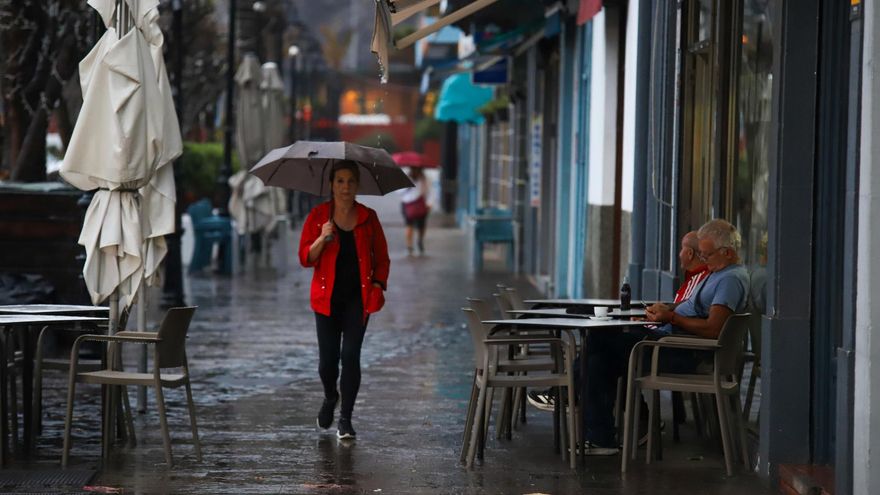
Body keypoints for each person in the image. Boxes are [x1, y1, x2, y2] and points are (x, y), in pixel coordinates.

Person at [580, 219, 749, 455]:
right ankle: (602, 438)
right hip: (671, 341)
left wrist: (671, 318)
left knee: (601, 339)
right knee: (598, 359)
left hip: (685, 352)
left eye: (707, 255)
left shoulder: (730, 280)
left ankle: (573, 392)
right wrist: (668, 310)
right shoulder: (718, 273)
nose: (703, 261)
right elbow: (694, 308)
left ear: (727, 253)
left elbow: (713, 329)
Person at [527, 231, 711, 412]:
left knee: (602, 339)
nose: (678, 254)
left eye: (681, 249)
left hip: (670, 348)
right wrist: (652, 317)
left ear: (690, 253)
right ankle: (629, 427)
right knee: (598, 360)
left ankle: (567, 393)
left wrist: (661, 318)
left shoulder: (703, 281)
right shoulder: (699, 281)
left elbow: (693, 323)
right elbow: (680, 314)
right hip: (664, 342)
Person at [298, 160, 390, 440]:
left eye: (350, 181)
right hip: (326, 300)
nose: (345, 187)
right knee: (328, 361)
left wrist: (376, 284)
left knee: (350, 357)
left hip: (357, 300)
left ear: (357, 185)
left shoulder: (368, 217)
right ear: (331, 185)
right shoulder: (318, 217)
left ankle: (346, 419)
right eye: (340, 181)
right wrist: (321, 239)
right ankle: (330, 396)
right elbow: (305, 258)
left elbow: (382, 258)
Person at [399, 167, 431, 255]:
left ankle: (420, 241)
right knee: (409, 225)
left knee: (421, 226)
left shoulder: (424, 178)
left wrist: (429, 203)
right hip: (407, 204)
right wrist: (407, 185)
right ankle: (409, 246)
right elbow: (399, 191)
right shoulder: (406, 177)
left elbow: (428, 191)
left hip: (420, 204)